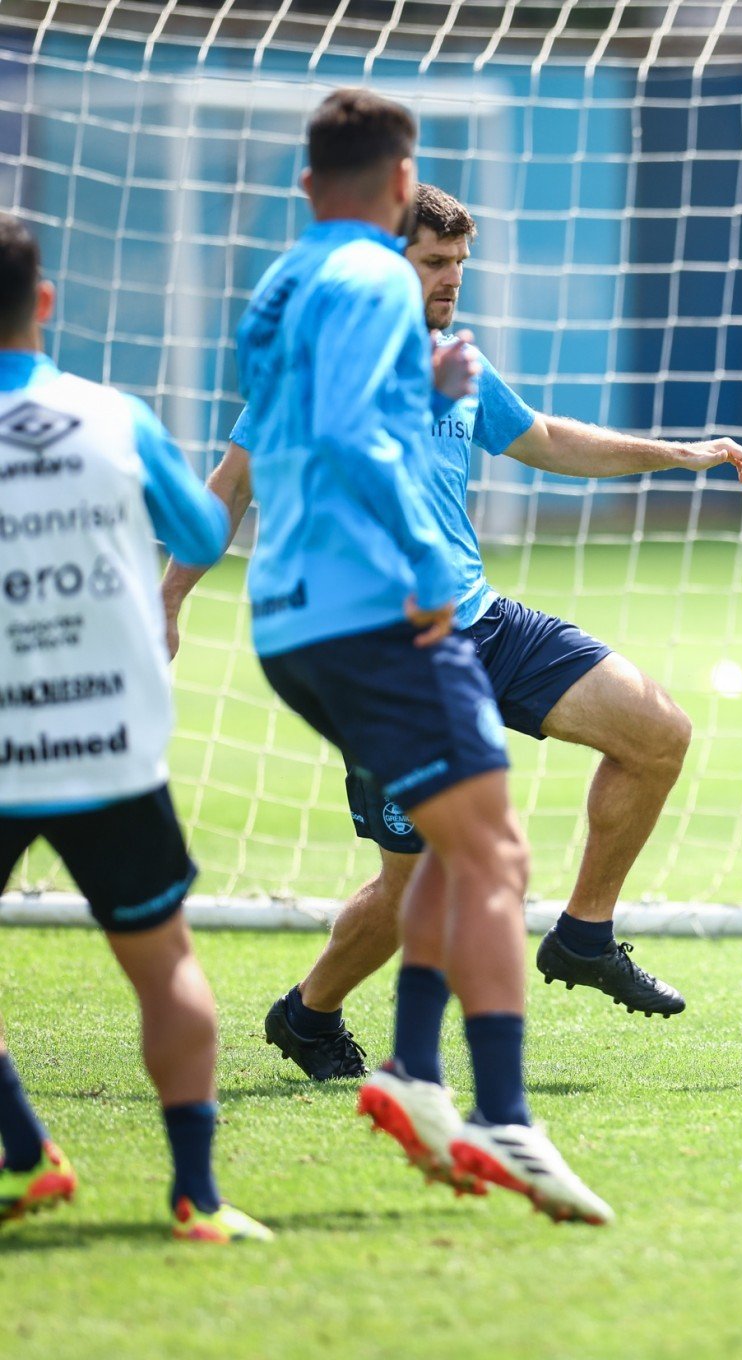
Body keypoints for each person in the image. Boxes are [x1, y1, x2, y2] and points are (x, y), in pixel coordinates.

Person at [164, 182, 742, 1082]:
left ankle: (586, 935)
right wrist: (168, 600)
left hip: (481, 621)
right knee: (418, 884)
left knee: (659, 733)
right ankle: (309, 1013)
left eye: (458, 266)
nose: (451, 282)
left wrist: (676, 453)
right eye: (434, 264)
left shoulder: (457, 360)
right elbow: (232, 487)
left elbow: (549, 439)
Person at [233, 89, 608, 1223]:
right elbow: (355, 441)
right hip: (385, 611)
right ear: (401, 190)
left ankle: (409, 1067)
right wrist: (413, 570)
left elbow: (304, 431)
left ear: (311, 187)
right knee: (493, 859)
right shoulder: (375, 286)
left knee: (459, 845)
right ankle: (497, 1112)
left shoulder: (285, 288)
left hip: (290, 620)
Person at [0, 214, 267, 1242]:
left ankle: (25, 1150)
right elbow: (203, 531)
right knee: (165, 963)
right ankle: (197, 1197)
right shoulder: (110, 415)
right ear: (47, 304)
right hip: (105, 742)